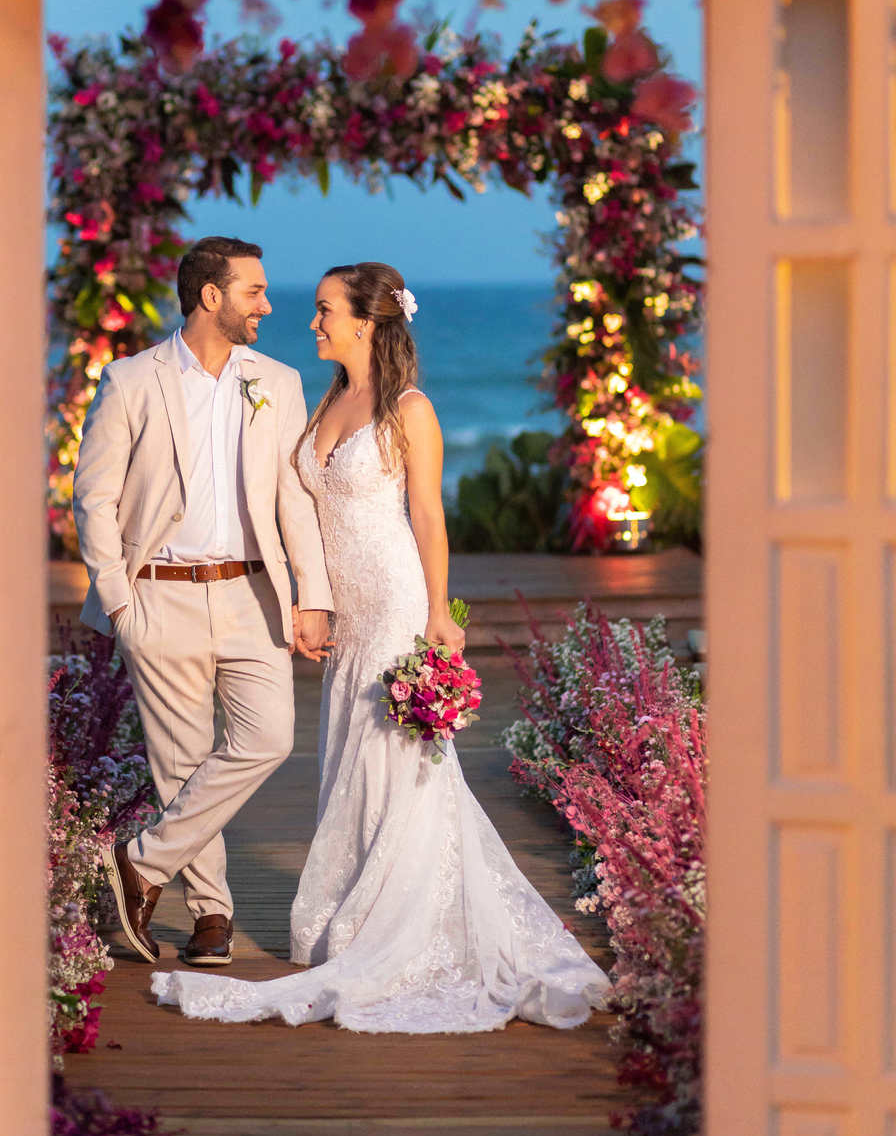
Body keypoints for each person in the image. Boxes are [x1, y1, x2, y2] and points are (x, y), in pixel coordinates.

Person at [152, 261, 610, 1030]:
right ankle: (354, 911)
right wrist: (309, 598)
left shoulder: (410, 408)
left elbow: (427, 514)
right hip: (348, 611)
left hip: (395, 603)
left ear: (366, 322)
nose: (313, 321)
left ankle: (400, 921)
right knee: (349, 757)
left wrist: (438, 611)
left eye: (325, 310)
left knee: (398, 761)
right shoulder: (327, 399)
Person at [75, 235, 333, 967]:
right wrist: (120, 604)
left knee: (268, 738)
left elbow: (294, 499)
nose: (268, 305)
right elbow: (93, 498)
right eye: (254, 290)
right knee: (182, 763)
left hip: (254, 592)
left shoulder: (277, 381)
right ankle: (212, 915)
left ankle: (142, 862)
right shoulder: (131, 380)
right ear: (210, 296)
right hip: (159, 596)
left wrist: (311, 595)